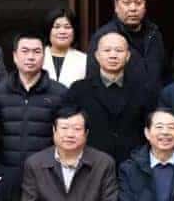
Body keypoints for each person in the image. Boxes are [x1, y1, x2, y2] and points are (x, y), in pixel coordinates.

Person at [66, 31, 158, 164]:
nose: (113, 55)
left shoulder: (143, 90)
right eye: (107, 50)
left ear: (128, 56)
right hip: (90, 165)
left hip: (132, 165)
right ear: (97, 56)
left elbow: (151, 128)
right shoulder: (79, 89)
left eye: (119, 50)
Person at [0, 32, 68, 169]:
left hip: (45, 171)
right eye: (25, 51)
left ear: (44, 57)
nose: (31, 57)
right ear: (15, 56)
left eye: (36, 52)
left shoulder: (60, 93)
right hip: (6, 171)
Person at [87, 0, 166, 86]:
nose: (133, 8)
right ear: (116, 6)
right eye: (127, 3)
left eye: (138, 3)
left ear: (145, 6)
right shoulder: (104, 36)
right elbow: (93, 81)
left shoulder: (154, 33)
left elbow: (163, 73)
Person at [42, 7, 87, 87]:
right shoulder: (38, 56)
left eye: (67, 27)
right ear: (48, 30)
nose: (62, 31)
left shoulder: (85, 60)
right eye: (57, 27)